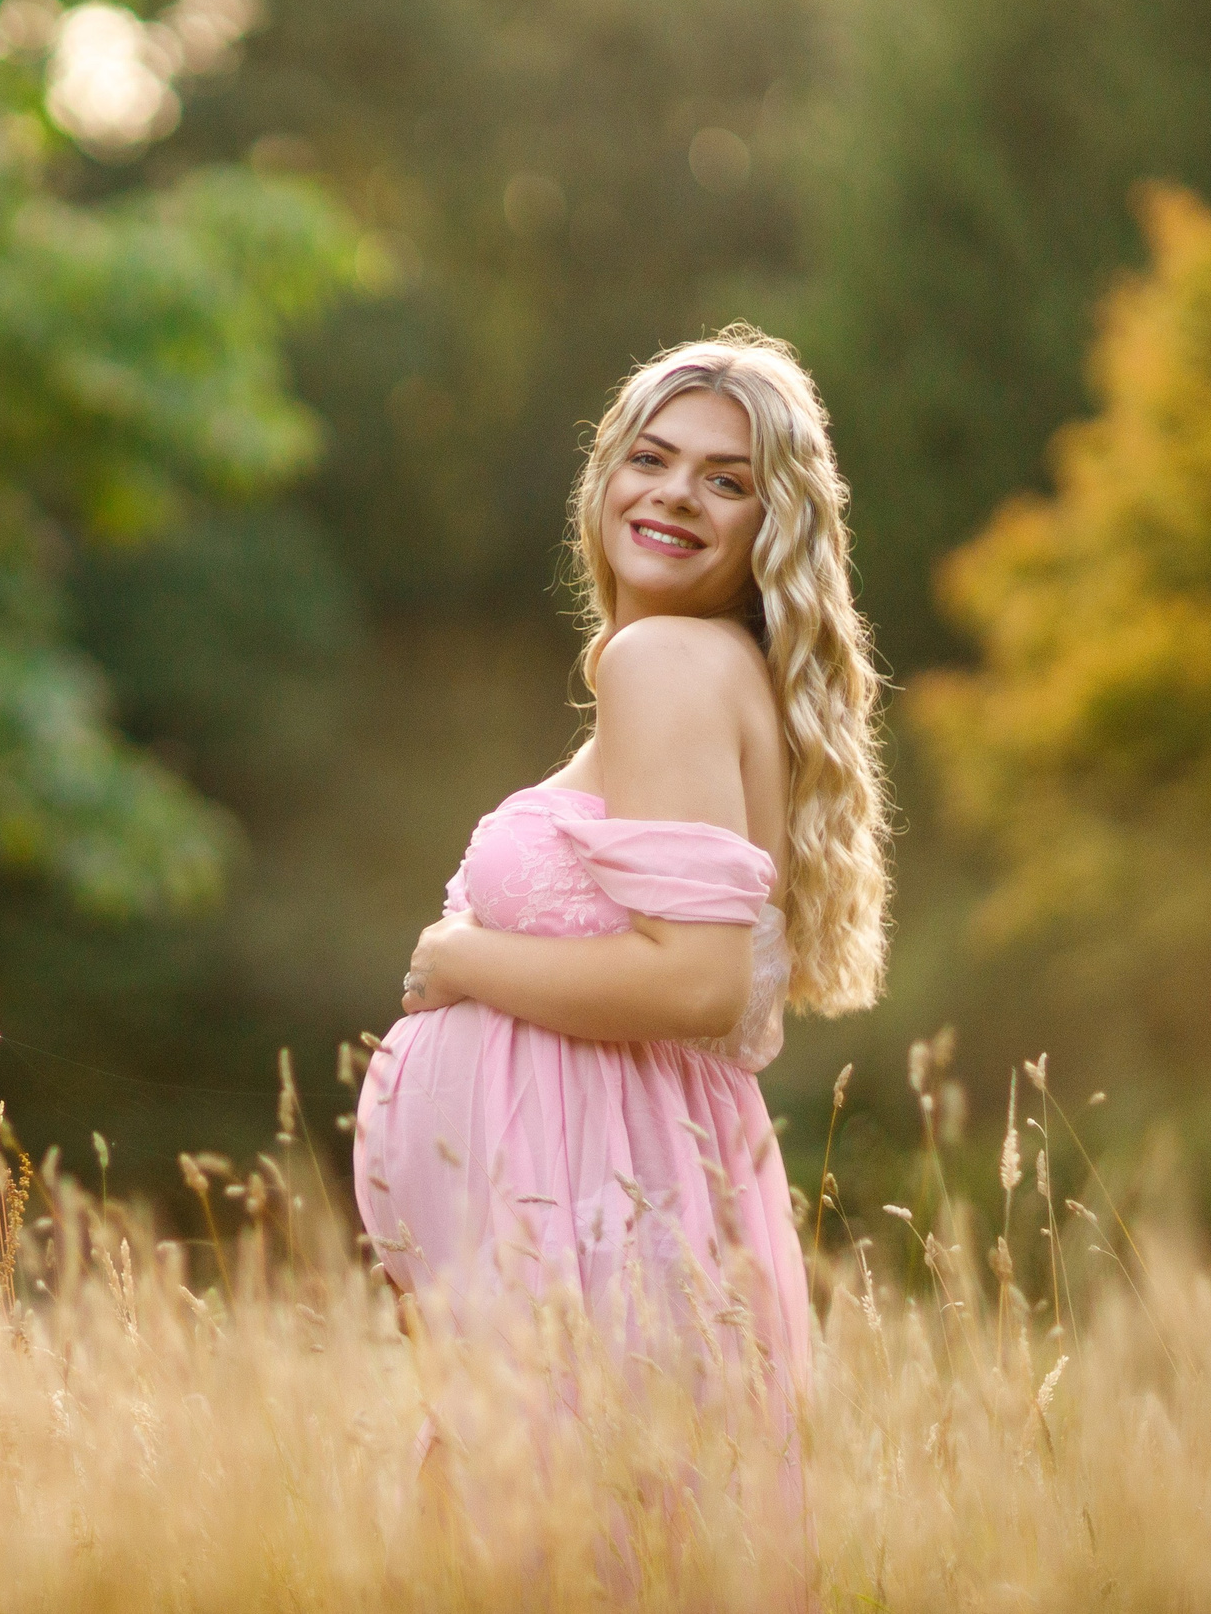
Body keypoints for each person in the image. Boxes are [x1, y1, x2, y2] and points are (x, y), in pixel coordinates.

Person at [353, 326, 889, 1555]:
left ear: (774, 524)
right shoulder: (703, 669)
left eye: (727, 479)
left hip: (611, 1220)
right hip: (614, 1208)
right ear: (604, 479)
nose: (676, 495)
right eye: (652, 458)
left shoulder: (666, 664)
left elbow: (696, 984)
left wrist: (452, 959)